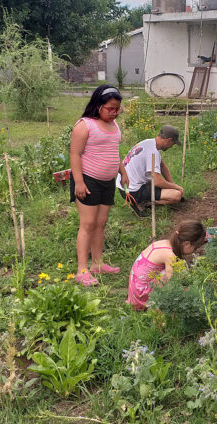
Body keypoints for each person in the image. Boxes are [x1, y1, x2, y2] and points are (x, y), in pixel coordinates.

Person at [69, 85, 130, 286]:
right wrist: (78, 181)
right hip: (88, 181)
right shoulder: (84, 125)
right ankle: (82, 270)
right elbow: (75, 155)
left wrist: (123, 171)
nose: (114, 113)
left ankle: (97, 263)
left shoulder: (114, 126)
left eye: (117, 109)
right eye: (110, 108)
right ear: (98, 105)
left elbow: (113, 152)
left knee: (100, 224)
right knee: (87, 224)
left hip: (107, 182)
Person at [127, 220, 207, 310]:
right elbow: (172, 284)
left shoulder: (166, 243)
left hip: (135, 287)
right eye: (195, 247)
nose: (195, 250)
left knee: (177, 271)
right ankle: (154, 307)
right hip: (141, 294)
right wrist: (191, 292)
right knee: (171, 277)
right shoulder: (170, 255)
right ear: (186, 243)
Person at [117, 125, 185, 216]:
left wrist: (171, 184)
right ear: (168, 140)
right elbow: (157, 181)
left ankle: (144, 200)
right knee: (176, 196)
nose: (171, 147)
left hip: (124, 185)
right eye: (172, 144)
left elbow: (163, 166)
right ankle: (142, 202)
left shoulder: (149, 143)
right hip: (132, 191)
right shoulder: (152, 152)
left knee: (170, 189)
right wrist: (176, 187)